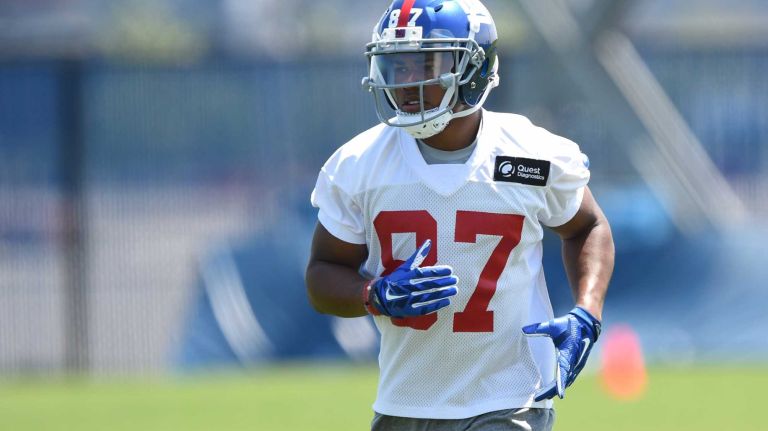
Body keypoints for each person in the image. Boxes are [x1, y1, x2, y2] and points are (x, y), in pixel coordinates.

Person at [305, 0, 614, 429]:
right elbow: (322, 275)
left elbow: (588, 226)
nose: (406, 82)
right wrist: (373, 295)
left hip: (510, 398)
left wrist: (586, 313)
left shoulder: (530, 154)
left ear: (473, 69)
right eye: (398, 66)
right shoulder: (358, 164)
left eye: (424, 64)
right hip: (405, 404)